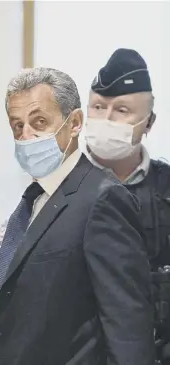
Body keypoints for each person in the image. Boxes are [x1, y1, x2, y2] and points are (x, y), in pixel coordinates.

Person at [0, 67, 154, 365]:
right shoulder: (32, 202)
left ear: (75, 123)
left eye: (39, 122)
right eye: (17, 126)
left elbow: (128, 327)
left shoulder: (103, 198)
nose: (26, 136)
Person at [84, 48, 170, 363]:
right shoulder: (58, 187)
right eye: (98, 107)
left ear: (149, 123)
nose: (106, 119)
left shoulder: (165, 190)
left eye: (121, 110)